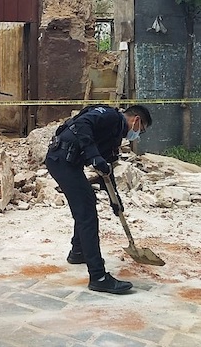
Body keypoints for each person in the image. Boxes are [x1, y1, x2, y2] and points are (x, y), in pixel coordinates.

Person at [45, 104, 152, 295]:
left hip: (68, 163)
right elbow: (82, 124)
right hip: (61, 160)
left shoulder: (114, 135)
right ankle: (99, 277)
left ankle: (78, 252)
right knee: (87, 215)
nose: (137, 134)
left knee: (87, 204)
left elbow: (106, 168)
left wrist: (114, 199)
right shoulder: (110, 117)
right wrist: (94, 156)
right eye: (140, 130)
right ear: (136, 120)